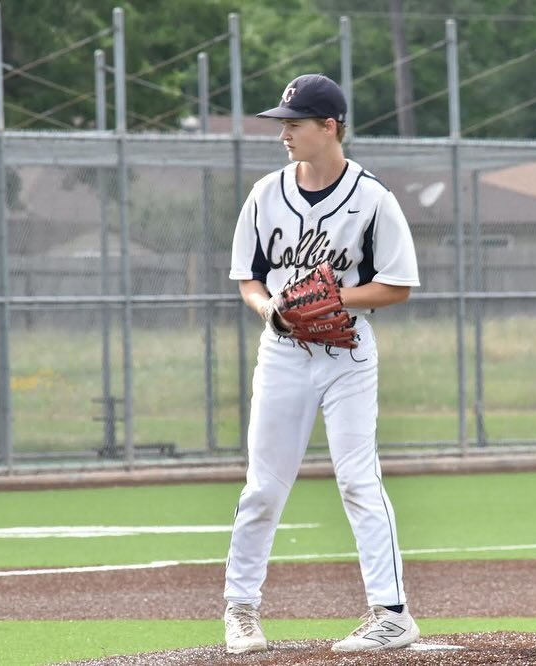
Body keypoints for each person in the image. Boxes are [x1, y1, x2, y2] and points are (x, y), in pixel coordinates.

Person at [223, 73, 421, 654]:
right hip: (282, 354)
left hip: (347, 357)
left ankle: (390, 613)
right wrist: (271, 310)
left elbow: (398, 285)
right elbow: (248, 278)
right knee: (263, 486)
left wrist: (335, 299)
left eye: (294, 123)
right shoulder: (265, 193)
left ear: (329, 127)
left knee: (359, 480)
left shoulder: (372, 198)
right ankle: (241, 609)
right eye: (282, 123)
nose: (283, 133)